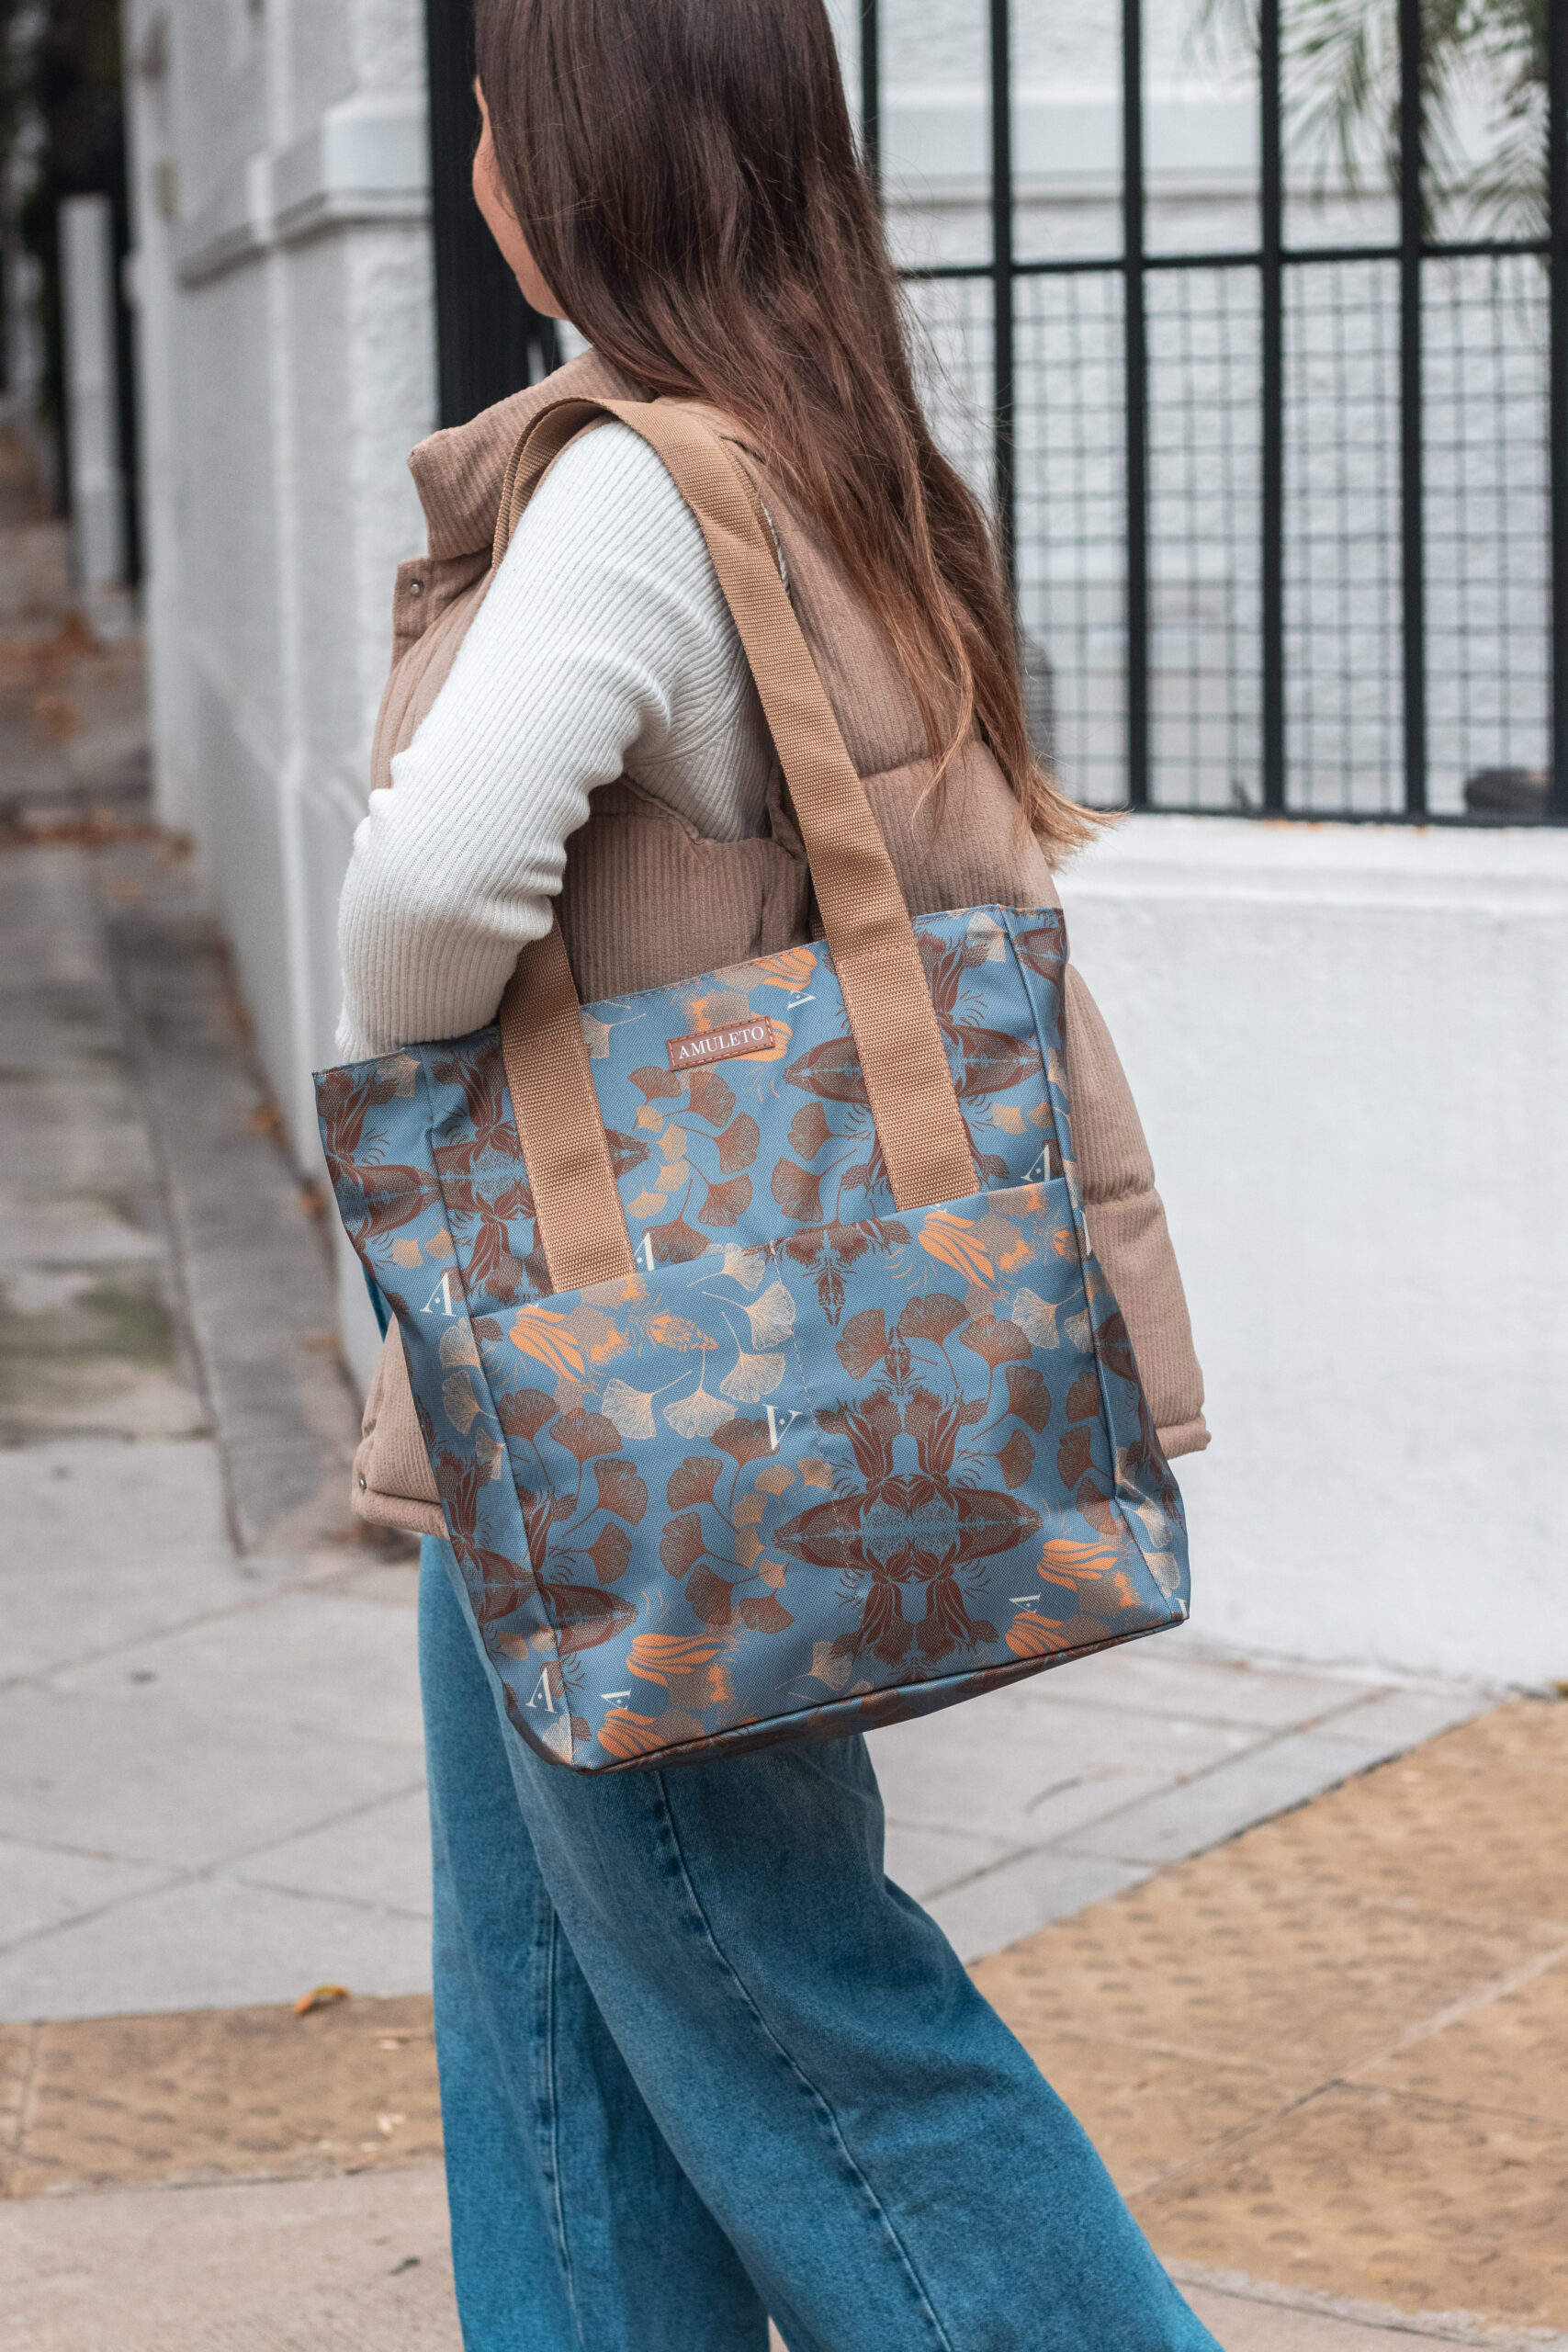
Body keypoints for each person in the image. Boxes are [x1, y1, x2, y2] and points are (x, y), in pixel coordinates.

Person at [333, 3, 1216, 2345]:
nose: (478, 147)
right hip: (636, 1381)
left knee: (793, 2006)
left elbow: (425, 903)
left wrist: (400, 967)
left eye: (494, 108)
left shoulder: (635, 483)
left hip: (632, 1377)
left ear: (572, 153)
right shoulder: (838, 452)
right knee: (548, 2012)